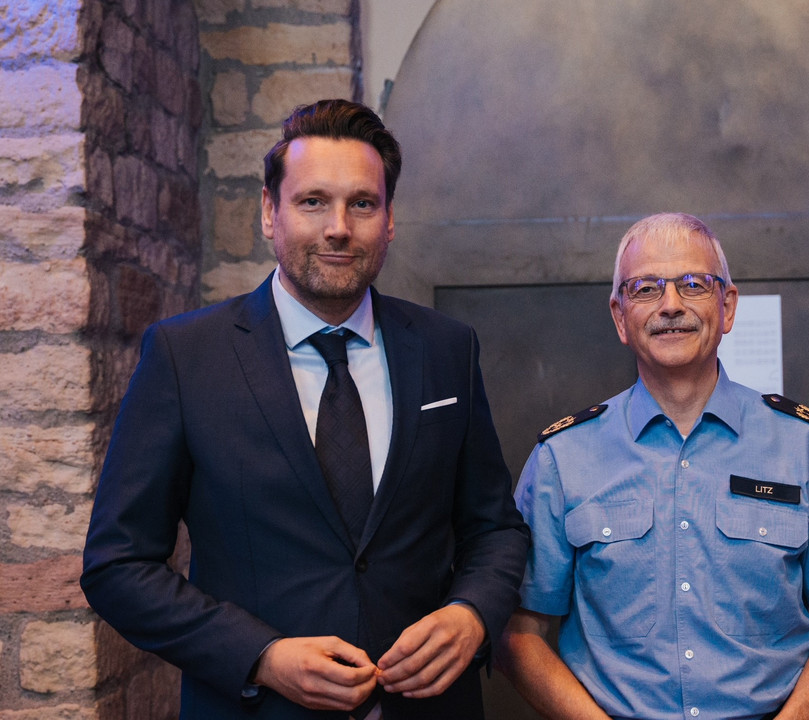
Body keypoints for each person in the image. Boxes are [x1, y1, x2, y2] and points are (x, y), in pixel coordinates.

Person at [81, 99, 529, 719]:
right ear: (270, 212)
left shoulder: (447, 348)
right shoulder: (186, 357)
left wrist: (471, 613)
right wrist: (259, 655)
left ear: (389, 219)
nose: (339, 226)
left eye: (362, 204)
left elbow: (495, 528)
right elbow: (118, 565)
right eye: (313, 201)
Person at [497, 212, 809, 720]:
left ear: (727, 306)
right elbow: (520, 633)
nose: (671, 306)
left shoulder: (801, 445)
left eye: (694, 284)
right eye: (647, 289)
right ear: (619, 315)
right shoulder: (562, 458)